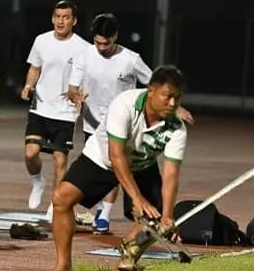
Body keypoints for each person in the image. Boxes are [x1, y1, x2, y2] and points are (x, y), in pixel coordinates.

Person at [16, 66, 188, 271]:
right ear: (151, 91)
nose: (173, 104)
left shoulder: (177, 129)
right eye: (167, 96)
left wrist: (167, 216)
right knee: (61, 198)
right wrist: (137, 199)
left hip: (143, 165)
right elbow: (116, 156)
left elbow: (171, 173)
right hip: (103, 157)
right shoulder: (124, 105)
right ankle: (63, 266)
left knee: (150, 220)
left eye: (177, 98)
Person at [67, 13, 183, 234]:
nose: (101, 47)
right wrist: (76, 98)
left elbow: (156, 85)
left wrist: (174, 106)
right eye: (97, 42)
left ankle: (105, 212)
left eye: (106, 43)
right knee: (104, 168)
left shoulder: (131, 59)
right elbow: (72, 89)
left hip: (126, 124)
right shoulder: (83, 56)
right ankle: (98, 208)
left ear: (115, 37)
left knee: (118, 164)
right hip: (94, 124)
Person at [21, 0, 91, 216]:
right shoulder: (41, 40)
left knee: (60, 159)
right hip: (41, 107)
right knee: (31, 153)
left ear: (74, 21)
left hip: (65, 112)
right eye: (57, 17)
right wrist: (28, 86)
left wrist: (81, 97)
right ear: (52, 18)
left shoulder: (83, 48)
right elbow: (35, 68)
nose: (61, 21)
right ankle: (37, 181)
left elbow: (87, 78)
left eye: (66, 17)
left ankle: (55, 206)